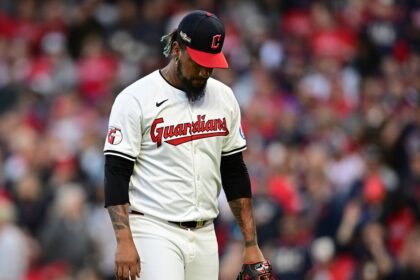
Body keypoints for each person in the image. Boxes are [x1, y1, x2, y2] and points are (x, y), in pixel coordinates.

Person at [103, 10, 271, 280]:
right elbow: (116, 172)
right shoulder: (135, 98)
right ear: (177, 49)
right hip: (153, 229)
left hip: (205, 233)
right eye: (198, 62)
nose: (205, 70)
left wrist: (251, 244)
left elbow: (234, 171)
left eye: (211, 63)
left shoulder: (224, 97)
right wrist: (124, 240)